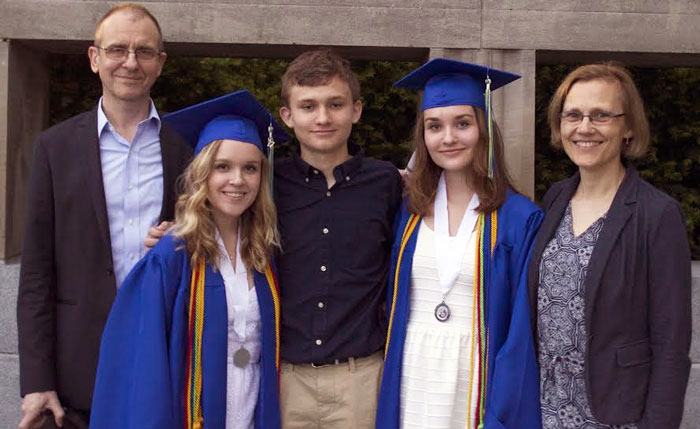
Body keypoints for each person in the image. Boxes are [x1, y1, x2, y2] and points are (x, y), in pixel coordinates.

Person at [16, 4, 192, 428]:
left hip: (163, 351)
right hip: (78, 370)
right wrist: (36, 380)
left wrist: (183, 236)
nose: (130, 62)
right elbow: (37, 273)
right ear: (95, 59)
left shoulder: (188, 147)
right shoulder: (54, 148)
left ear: (160, 63)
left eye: (144, 51)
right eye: (117, 49)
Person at [89, 90, 289, 429]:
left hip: (251, 410)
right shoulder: (171, 256)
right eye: (222, 167)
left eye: (250, 168)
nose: (237, 181)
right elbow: (143, 365)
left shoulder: (262, 253)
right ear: (201, 175)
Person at [376, 58, 544, 429]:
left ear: (483, 129)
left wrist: (501, 410)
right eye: (435, 127)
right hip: (412, 375)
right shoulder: (407, 212)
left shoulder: (518, 219)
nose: (448, 137)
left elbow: (520, 333)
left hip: (477, 380)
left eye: (462, 124)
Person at [527, 63, 692, 429]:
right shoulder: (555, 198)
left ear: (628, 126)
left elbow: (671, 343)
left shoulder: (657, 215)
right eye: (573, 115)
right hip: (544, 405)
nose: (584, 128)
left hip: (615, 413)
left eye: (601, 115)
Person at [274, 49, 403, 428]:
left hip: (361, 379)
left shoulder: (387, 184)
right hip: (286, 378)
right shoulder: (264, 185)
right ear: (288, 116)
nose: (323, 118)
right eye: (308, 106)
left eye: (335, 104)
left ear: (356, 110)